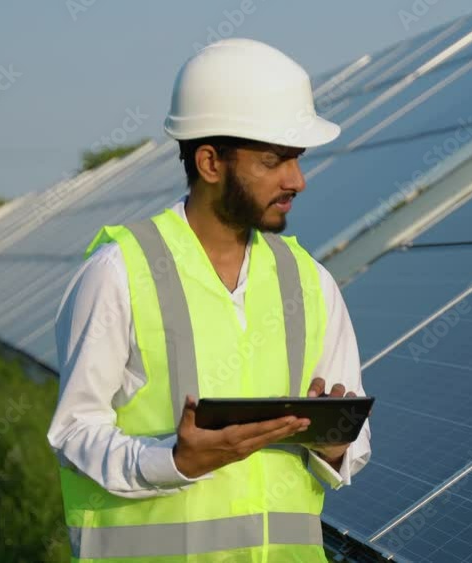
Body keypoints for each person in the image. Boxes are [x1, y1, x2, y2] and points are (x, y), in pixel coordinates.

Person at [47, 38, 371, 562]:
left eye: (297, 159)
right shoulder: (117, 273)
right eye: (274, 160)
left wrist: (335, 444)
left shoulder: (311, 282)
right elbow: (75, 432)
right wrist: (175, 461)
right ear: (210, 163)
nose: (298, 180)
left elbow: (353, 446)